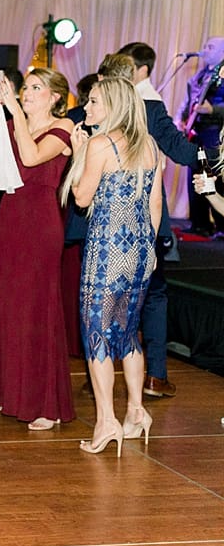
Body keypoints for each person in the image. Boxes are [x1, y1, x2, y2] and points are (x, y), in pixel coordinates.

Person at [66, 49, 199, 399]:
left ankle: (107, 401)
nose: (89, 106)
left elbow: (79, 195)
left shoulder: (89, 128)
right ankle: (146, 390)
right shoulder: (151, 123)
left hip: (104, 241)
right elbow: (174, 169)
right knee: (137, 318)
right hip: (141, 237)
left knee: (99, 322)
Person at [0, 69, 75, 430]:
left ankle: (45, 404)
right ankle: (1, 390)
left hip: (41, 221)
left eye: (35, 88)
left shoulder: (64, 129)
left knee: (35, 307)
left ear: (55, 96)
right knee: (3, 302)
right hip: (10, 218)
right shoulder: (13, 124)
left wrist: (15, 109)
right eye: (25, 88)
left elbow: (30, 159)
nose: (27, 93)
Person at [60, 77, 162, 455]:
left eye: (94, 103)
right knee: (128, 331)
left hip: (106, 249)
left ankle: (106, 421)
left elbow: (82, 198)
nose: (87, 109)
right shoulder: (150, 146)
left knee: (98, 332)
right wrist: (148, 250)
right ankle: (136, 411)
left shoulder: (101, 144)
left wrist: (79, 154)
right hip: (138, 249)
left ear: (114, 106)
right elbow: (155, 205)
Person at [183, 37, 224, 236]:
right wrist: (185, 118)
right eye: (205, 45)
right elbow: (191, 101)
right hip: (198, 132)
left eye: (210, 47)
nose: (205, 49)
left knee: (217, 178)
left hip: (216, 133)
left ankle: (221, 226)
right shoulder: (201, 75)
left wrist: (213, 110)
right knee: (196, 177)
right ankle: (199, 223)